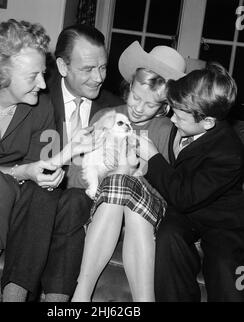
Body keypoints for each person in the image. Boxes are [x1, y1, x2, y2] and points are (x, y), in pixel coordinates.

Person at [0, 19, 95, 302]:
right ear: (2, 74)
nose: (42, 83)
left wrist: (50, 167)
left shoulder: (42, 108)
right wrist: (24, 169)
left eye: (43, 73)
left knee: (4, 186)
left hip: (11, 197)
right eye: (32, 76)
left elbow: (39, 170)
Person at [1, 24, 123, 302]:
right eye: (88, 69)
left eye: (103, 67)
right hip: (36, 194)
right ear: (62, 66)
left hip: (82, 199)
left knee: (75, 201)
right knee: (40, 193)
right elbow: (18, 158)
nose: (99, 77)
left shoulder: (114, 108)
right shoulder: (35, 97)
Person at [71, 41, 186, 302]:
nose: (138, 107)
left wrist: (140, 171)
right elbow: (77, 176)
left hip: (146, 212)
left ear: (165, 106)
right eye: (135, 96)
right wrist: (105, 172)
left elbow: (171, 189)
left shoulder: (167, 132)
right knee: (118, 179)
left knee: (124, 179)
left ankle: (81, 296)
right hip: (104, 205)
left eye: (149, 104)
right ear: (129, 87)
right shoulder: (106, 116)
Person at [138, 62, 244, 302]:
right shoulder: (183, 122)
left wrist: (152, 156)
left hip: (222, 220)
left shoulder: (230, 153)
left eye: (180, 117)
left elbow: (184, 196)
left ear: (207, 122)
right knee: (168, 236)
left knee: (224, 264)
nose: (172, 119)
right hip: (185, 214)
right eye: (173, 110)